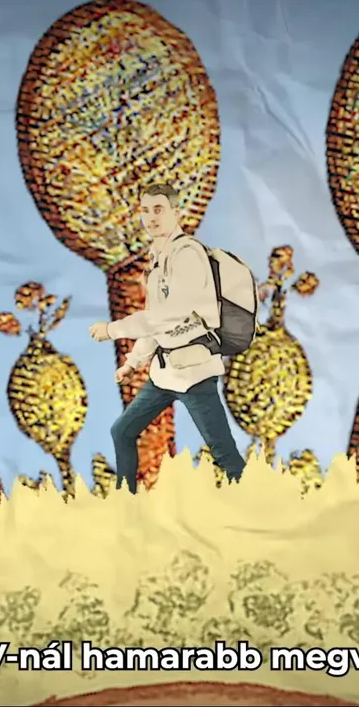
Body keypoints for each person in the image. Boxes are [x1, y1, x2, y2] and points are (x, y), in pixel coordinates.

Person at [88, 183, 247, 492]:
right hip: (165, 374)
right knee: (122, 432)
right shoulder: (159, 259)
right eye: (145, 210)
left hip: (194, 371)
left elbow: (170, 315)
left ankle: (259, 507)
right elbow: (156, 322)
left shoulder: (187, 255)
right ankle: (125, 504)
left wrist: (113, 330)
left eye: (158, 209)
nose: (151, 217)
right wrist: (133, 363)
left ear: (176, 212)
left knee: (223, 452)